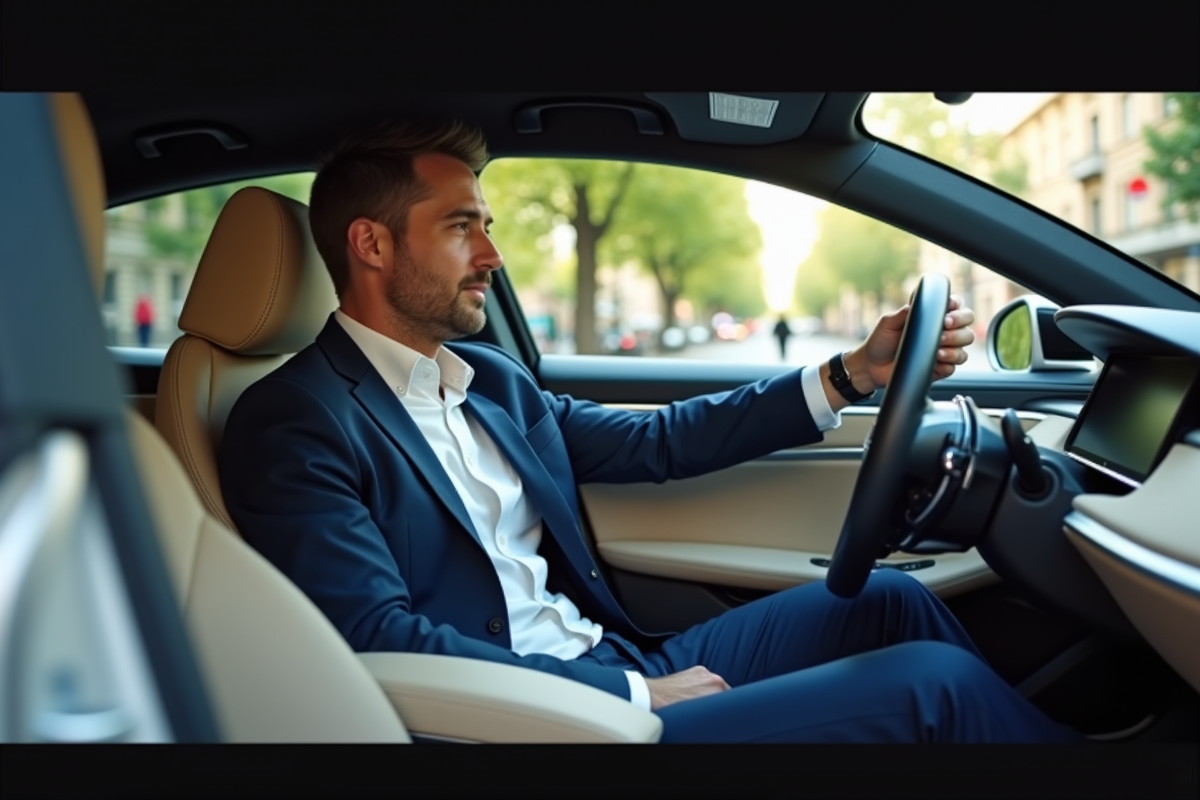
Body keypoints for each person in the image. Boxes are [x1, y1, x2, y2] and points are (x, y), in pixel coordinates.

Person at [219, 121, 1083, 743]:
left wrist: (851, 373)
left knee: (890, 599)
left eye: (486, 224)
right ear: (371, 244)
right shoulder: (296, 421)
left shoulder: (487, 382)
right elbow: (379, 638)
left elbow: (658, 441)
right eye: (460, 227)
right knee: (929, 690)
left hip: (611, 657)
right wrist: (635, 692)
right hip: (539, 720)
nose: (493, 254)